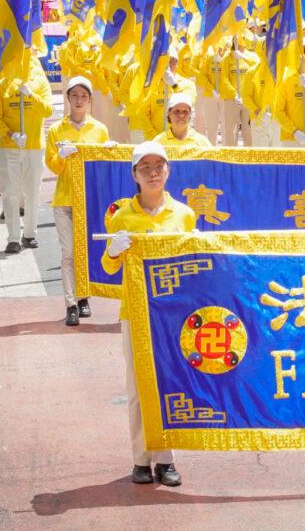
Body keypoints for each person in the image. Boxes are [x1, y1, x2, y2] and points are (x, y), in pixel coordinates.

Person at [101, 141, 195, 487]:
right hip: (136, 310)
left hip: (172, 314)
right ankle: (141, 458)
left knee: (169, 382)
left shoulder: (184, 215)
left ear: (168, 170)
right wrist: (113, 250)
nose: (153, 174)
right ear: (134, 175)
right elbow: (109, 268)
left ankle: (166, 459)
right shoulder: (121, 216)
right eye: (145, 168)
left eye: (159, 167)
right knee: (139, 387)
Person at [44, 76, 110, 326]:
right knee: (68, 252)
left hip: (90, 202)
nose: (79, 100)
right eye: (75, 96)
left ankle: (84, 297)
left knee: (85, 252)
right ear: (68, 98)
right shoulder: (56, 130)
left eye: (84, 96)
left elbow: (104, 166)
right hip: (65, 200)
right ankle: (70, 302)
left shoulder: (99, 130)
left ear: (90, 100)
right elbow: (52, 165)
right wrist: (61, 157)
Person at [0, 59, 54, 254]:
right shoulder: (1, 85)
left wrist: (31, 95)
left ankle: (29, 234)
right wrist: (11, 134)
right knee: (10, 192)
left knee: (32, 191)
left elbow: (48, 110)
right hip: (10, 147)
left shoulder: (40, 83)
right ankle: (13, 238)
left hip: (33, 146)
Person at [219, 34, 259, 146]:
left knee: (249, 131)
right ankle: (230, 158)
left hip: (249, 99)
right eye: (236, 39)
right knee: (230, 131)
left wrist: (242, 57)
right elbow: (224, 78)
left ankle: (249, 157)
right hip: (232, 99)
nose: (239, 42)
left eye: (242, 39)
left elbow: (258, 68)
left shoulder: (252, 56)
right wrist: (234, 94)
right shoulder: (227, 58)